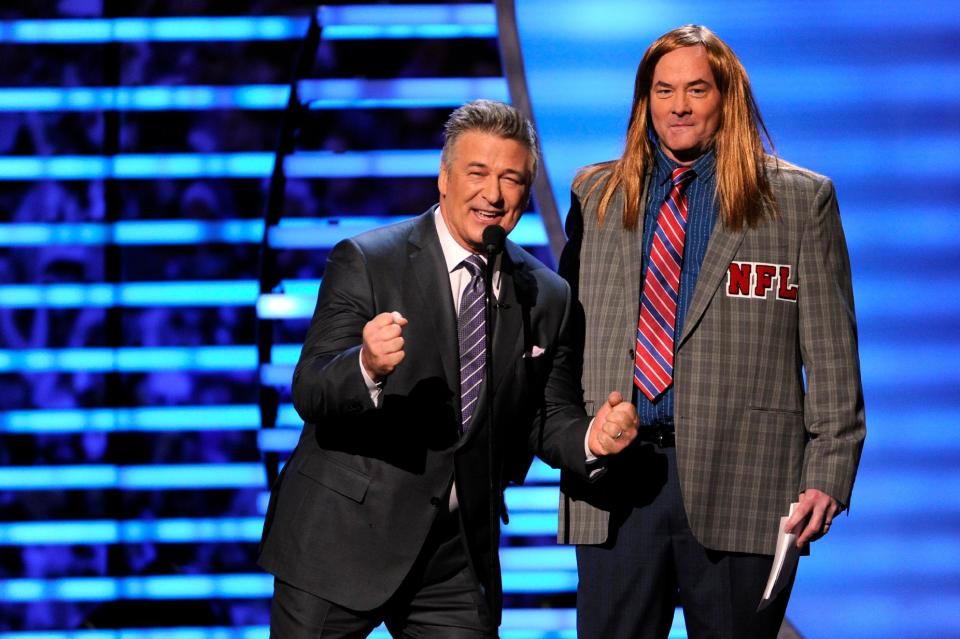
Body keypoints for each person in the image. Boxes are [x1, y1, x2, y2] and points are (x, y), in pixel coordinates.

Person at [258, 99, 638, 638]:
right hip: (342, 541)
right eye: (477, 172)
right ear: (443, 176)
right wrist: (365, 365)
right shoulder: (368, 260)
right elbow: (311, 387)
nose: (493, 194)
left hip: (455, 555)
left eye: (511, 179)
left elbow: (545, 415)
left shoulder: (546, 295)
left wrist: (590, 441)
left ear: (526, 192)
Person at [558, 25, 866, 639]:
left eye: (696, 89)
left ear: (727, 98)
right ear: (644, 100)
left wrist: (830, 471)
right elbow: (566, 340)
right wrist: (573, 438)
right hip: (618, 481)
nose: (679, 106)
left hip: (747, 480)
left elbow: (831, 355)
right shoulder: (594, 194)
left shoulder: (799, 202)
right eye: (663, 90)